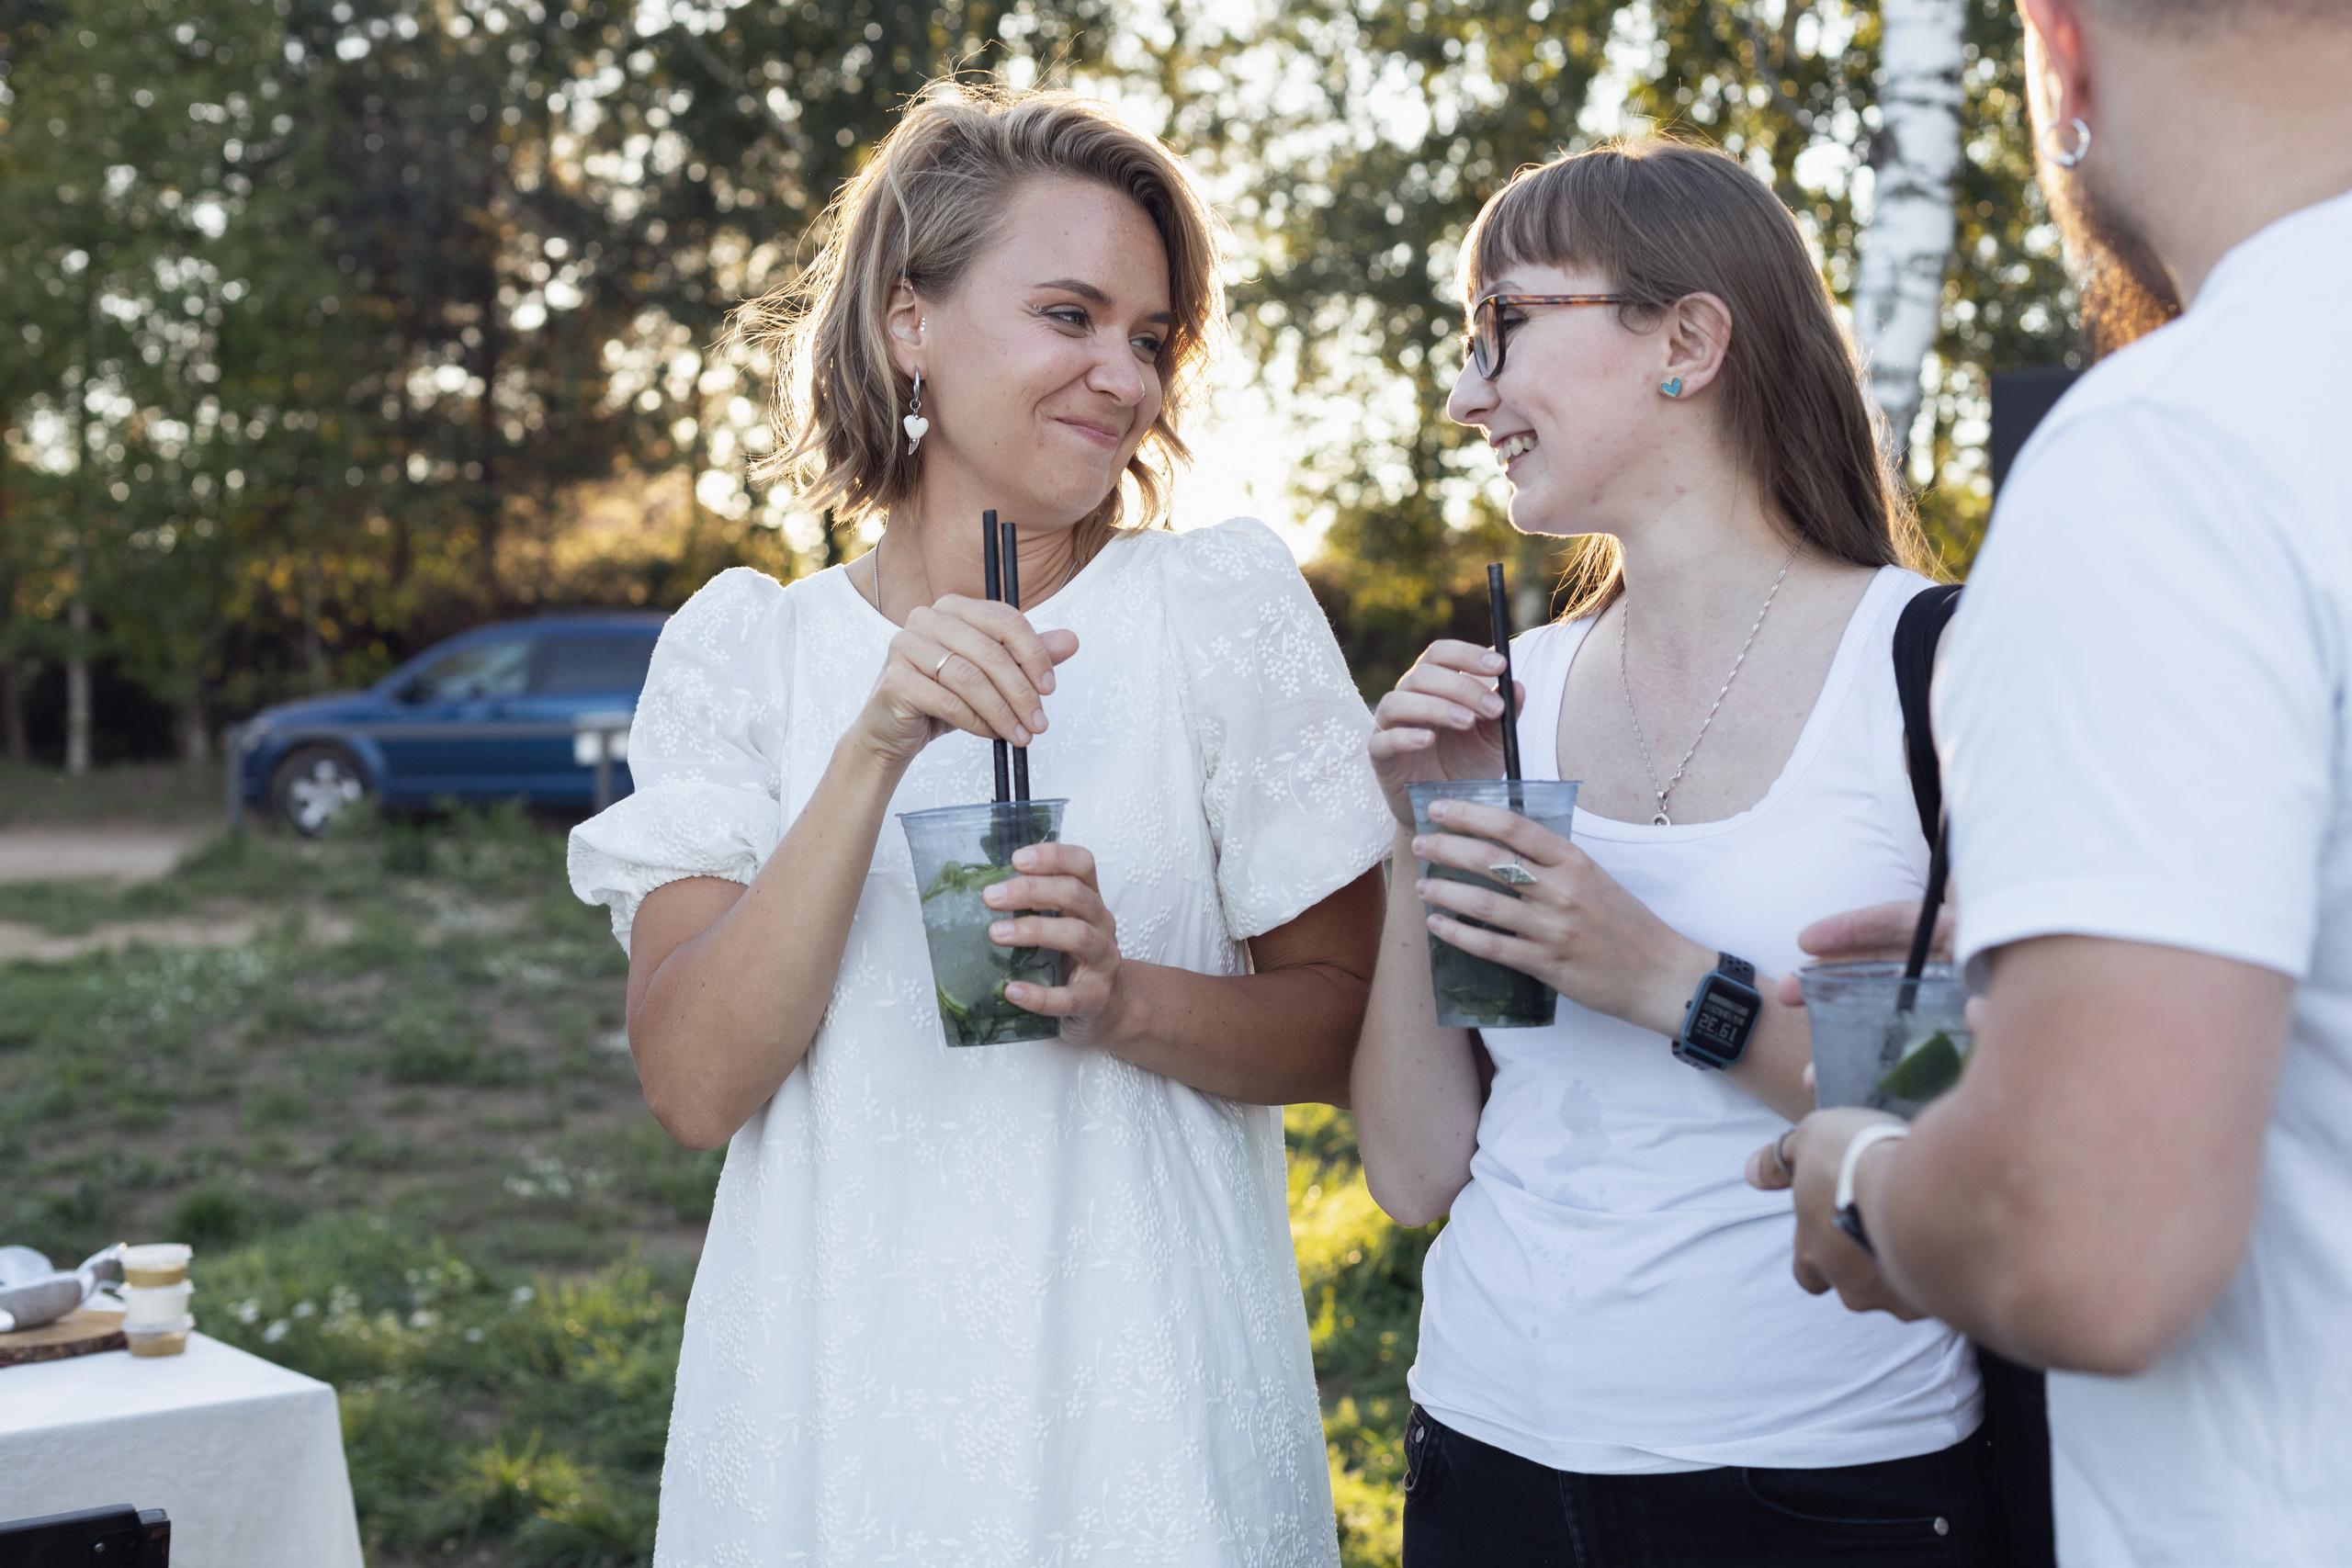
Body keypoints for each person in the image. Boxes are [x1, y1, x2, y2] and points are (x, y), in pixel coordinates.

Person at [569, 85, 1392, 1563]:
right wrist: (873, 746)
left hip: (1144, 1411)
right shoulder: (745, 650)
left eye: (1151, 339)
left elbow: (1349, 1026)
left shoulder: (1215, 609)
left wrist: (1125, 997)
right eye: (1069, 315)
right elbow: (695, 1085)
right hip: (830, 1409)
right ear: (909, 325)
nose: (1123, 376)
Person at [1751, 2, 2352, 1563]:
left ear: (2059, 48)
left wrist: (1867, 1175)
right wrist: (2110, 956)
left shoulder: (2177, 449)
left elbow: (2096, 1238)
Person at [1350, 138, 2002, 1563]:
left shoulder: (1937, 670)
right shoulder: (1503, 697)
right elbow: (1414, 1175)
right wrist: (1420, 844)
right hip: (1484, 1461)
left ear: (1688, 339)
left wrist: (1664, 979)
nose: (1467, 398)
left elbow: (1985, 1150)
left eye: (1504, 326)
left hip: (1825, 1493)